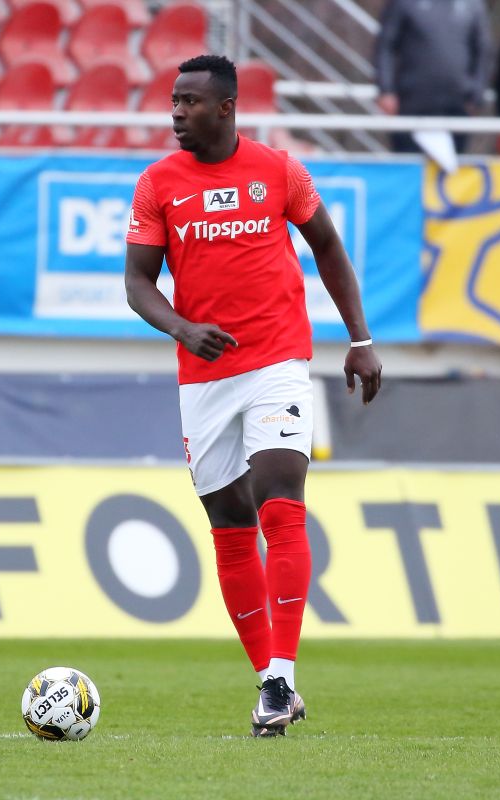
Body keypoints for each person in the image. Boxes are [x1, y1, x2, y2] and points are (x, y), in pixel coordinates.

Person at [124, 55, 381, 737]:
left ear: (227, 108)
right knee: (229, 522)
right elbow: (138, 283)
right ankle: (269, 677)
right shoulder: (156, 184)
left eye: (189, 102)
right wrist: (183, 327)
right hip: (203, 376)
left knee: (279, 500)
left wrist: (360, 339)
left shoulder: (280, 171)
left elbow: (328, 249)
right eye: (173, 101)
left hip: (277, 362)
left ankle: (280, 679)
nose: (177, 113)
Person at [374, 0, 492, 153]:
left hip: (457, 105)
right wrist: (386, 89)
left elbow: (483, 51)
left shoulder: (472, 5)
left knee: (453, 163)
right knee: (409, 160)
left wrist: (476, 95)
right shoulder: (403, 3)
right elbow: (385, 45)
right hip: (411, 103)